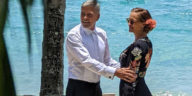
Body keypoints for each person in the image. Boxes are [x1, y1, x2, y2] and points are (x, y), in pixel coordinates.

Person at [65, 0, 137, 96]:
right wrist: (116, 72)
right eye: (82, 14)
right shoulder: (73, 35)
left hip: (96, 87)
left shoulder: (102, 34)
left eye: (89, 15)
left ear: (97, 17)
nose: (85, 18)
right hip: (78, 87)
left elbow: (107, 60)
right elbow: (87, 61)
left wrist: (125, 70)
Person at [119, 8, 156, 96]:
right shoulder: (147, 42)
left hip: (133, 91)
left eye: (132, 21)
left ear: (143, 24)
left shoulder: (138, 46)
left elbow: (131, 76)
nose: (129, 24)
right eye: (128, 20)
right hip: (141, 88)